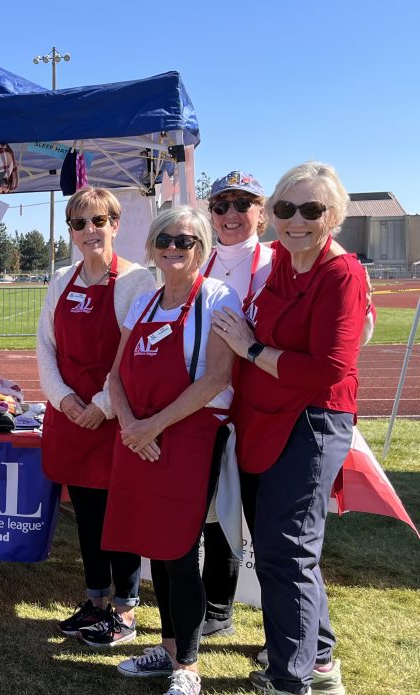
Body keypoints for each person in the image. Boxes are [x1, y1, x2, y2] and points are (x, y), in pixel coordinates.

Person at [212, 162, 366, 695]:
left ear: (334, 217)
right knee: (284, 548)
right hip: (262, 419)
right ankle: (317, 660)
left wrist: (252, 349)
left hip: (311, 421)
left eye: (311, 209)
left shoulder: (341, 273)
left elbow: (329, 367)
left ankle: (291, 678)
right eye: (285, 209)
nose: (296, 220)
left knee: (286, 551)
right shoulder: (281, 263)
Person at [103, 207, 240, 695]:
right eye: (164, 238)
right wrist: (130, 426)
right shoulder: (142, 301)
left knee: (180, 549)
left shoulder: (219, 296)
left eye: (185, 239)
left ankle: (189, 664)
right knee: (154, 546)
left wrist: (152, 426)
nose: (173, 247)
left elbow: (217, 378)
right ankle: (166, 648)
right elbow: (115, 374)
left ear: (201, 247)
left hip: (187, 437)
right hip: (138, 437)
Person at [36, 188, 155, 647]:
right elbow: (45, 346)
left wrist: (101, 407)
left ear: (115, 225)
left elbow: (134, 356)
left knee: (117, 517)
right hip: (70, 418)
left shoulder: (137, 281)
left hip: (114, 421)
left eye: (99, 221)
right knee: (87, 516)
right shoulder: (61, 279)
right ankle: (97, 601)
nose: (90, 231)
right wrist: (66, 400)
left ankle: (125, 611)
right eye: (80, 223)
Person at [198, 170, 272, 638]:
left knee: (268, 526)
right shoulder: (197, 263)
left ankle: (282, 630)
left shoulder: (278, 263)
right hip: (210, 412)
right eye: (221, 205)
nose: (230, 214)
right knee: (215, 517)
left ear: (261, 214)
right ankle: (217, 609)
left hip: (264, 415)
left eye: (242, 204)